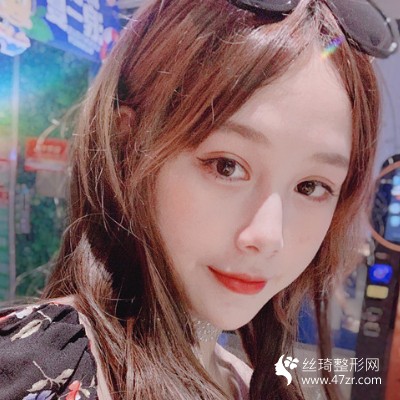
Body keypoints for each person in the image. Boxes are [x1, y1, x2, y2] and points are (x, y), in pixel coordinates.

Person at [0, 0, 396, 399]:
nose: (267, 236)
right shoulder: (46, 369)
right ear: (127, 147)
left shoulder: (244, 382)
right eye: (226, 166)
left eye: (311, 187)